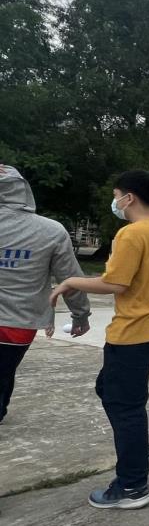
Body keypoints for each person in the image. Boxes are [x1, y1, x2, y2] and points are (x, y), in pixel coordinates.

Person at [49, 171, 149, 510]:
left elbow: (115, 283)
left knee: (125, 405)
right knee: (109, 389)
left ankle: (132, 486)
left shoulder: (132, 233)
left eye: (116, 197)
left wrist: (70, 282)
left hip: (134, 332)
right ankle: (141, 453)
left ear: (129, 198)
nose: (116, 203)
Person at [0, 165, 92, 425]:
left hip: (17, 322)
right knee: (4, 372)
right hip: (19, 323)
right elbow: (70, 278)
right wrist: (80, 315)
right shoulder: (51, 231)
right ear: (23, 190)